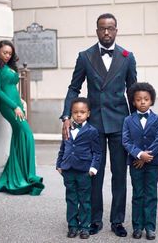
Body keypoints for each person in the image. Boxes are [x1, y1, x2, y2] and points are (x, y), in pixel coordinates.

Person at [61, 13, 137, 237]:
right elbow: (74, 88)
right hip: (92, 125)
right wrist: (67, 115)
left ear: (116, 30)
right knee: (93, 173)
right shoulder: (85, 56)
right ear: (96, 31)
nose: (106, 32)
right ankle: (94, 219)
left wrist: (135, 125)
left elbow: (133, 92)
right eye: (102, 28)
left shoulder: (127, 56)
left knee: (119, 174)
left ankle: (117, 221)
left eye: (110, 28)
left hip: (120, 122)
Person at [0, 40, 44, 196]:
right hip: (8, 106)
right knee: (27, 134)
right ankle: (29, 175)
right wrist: (14, 106)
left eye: (10, 53)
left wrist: (21, 102)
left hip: (17, 105)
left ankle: (21, 173)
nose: (7, 55)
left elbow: (13, 88)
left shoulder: (9, 67)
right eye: (5, 52)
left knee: (19, 136)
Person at [122, 82, 158, 240]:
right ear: (133, 102)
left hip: (153, 164)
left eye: (146, 99)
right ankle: (137, 227)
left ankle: (150, 227)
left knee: (151, 194)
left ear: (151, 100)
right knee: (138, 194)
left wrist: (146, 158)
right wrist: (139, 155)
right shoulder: (128, 120)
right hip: (135, 164)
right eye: (138, 99)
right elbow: (126, 141)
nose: (142, 102)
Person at [57, 97, 101, 239]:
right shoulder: (67, 128)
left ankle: (84, 227)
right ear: (71, 113)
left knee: (84, 200)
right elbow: (63, 148)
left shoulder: (92, 131)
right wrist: (59, 164)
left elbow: (97, 152)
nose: (79, 115)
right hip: (68, 170)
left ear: (88, 113)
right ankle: (72, 226)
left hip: (84, 171)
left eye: (82, 112)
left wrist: (93, 168)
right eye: (75, 112)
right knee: (71, 199)